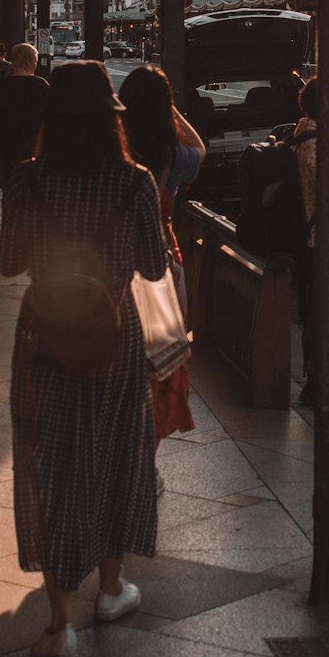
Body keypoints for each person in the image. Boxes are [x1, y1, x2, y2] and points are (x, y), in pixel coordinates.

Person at [0, 61, 168, 657]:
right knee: (117, 452)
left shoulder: (27, 179)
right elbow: (153, 267)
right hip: (112, 338)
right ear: (109, 122)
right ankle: (112, 589)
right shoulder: (135, 181)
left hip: (44, 334)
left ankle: (59, 621)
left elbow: (8, 262)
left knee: (54, 461)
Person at [119, 65, 205, 484]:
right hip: (161, 268)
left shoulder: (114, 149)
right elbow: (201, 150)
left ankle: (119, 459)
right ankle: (145, 466)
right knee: (159, 369)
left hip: (115, 264)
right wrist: (172, 111)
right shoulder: (172, 155)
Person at [0, 42, 49, 189]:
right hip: (34, 147)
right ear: (31, 62)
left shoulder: (3, 87)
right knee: (34, 190)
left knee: (9, 188)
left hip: (7, 146)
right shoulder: (42, 86)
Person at [292, 77, 318, 406]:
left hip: (311, 236)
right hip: (317, 238)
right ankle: (315, 379)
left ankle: (316, 377)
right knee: (318, 313)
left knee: (314, 311)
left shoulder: (302, 132)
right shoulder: (313, 141)